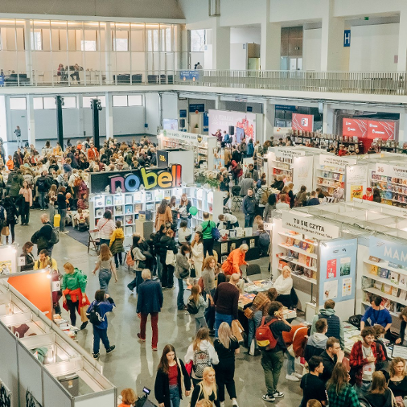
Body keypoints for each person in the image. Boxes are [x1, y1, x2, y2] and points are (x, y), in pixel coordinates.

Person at [260, 301, 291, 403]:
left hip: (265, 348)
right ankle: (272, 392)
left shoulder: (263, 319)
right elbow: (289, 328)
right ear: (276, 312)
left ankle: (271, 392)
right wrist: (283, 319)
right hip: (277, 350)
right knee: (276, 370)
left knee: (267, 370)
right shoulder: (279, 323)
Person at [349, 326, 386, 391]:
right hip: (360, 380)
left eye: (372, 338)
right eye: (369, 338)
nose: (371, 340)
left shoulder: (377, 346)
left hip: (373, 380)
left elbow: (383, 361)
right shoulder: (357, 346)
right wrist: (366, 360)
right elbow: (351, 363)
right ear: (363, 337)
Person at [136, 269, 163, 351]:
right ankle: (154, 345)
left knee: (143, 322)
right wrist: (160, 305)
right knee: (154, 326)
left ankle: (143, 337)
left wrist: (138, 310)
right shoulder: (157, 284)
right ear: (149, 275)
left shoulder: (141, 286)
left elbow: (140, 299)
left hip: (144, 307)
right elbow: (160, 296)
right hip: (155, 306)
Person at [213, 322, 240, 407]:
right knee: (230, 381)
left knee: (220, 383)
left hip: (220, 364)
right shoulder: (234, 339)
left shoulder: (217, 342)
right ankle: (234, 400)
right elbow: (237, 352)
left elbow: (215, 354)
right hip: (230, 363)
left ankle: (222, 402)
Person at [246, 288, 278, 356]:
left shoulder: (260, 294)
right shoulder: (268, 301)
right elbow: (265, 312)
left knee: (251, 331)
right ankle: (256, 348)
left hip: (251, 311)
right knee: (257, 331)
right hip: (258, 314)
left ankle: (249, 347)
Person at [86, 289, 116, 359]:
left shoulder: (93, 302)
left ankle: (95, 353)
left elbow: (87, 313)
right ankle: (108, 348)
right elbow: (113, 306)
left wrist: (93, 319)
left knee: (96, 338)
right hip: (102, 324)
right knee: (104, 337)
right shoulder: (104, 304)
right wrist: (109, 298)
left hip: (95, 324)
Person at [61, 262, 89, 329]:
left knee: (81, 310)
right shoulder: (65, 276)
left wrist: (83, 297)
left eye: (65, 269)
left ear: (69, 269)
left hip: (77, 296)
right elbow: (64, 286)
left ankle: (85, 321)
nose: (64, 271)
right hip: (69, 297)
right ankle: (73, 325)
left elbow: (82, 285)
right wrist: (64, 296)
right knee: (72, 312)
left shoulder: (78, 275)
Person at [202, 256, 217, 335]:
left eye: (213, 262)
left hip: (213, 290)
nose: (212, 264)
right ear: (207, 263)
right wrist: (211, 298)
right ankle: (203, 327)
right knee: (207, 310)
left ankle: (210, 327)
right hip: (208, 293)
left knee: (212, 310)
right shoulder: (205, 273)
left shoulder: (212, 269)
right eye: (211, 262)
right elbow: (206, 287)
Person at [175, 244, 192, 311]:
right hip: (181, 274)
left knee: (182, 290)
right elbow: (185, 265)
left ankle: (181, 303)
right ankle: (180, 304)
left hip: (180, 274)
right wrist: (188, 262)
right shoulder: (180, 256)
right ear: (184, 250)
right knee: (181, 290)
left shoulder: (181, 254)